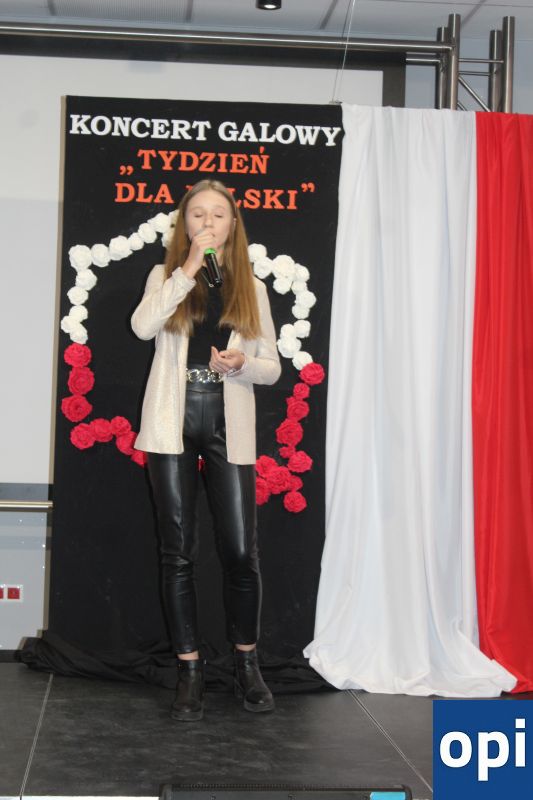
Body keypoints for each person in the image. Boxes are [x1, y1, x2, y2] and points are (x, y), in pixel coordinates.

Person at [131, 179, 281, 721]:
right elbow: (142, 326)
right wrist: (188, 270)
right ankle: (189, 669)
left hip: (226, 417)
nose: (208, 223)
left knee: (240, 550)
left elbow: (272, 367)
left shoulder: (251, 288)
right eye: (198, 214)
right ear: (185, 224)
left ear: (233, 225)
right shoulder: (165, 277)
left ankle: (247, 665)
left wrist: (243, 364)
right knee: (178, 550)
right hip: (172, 418)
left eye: (218, 214)